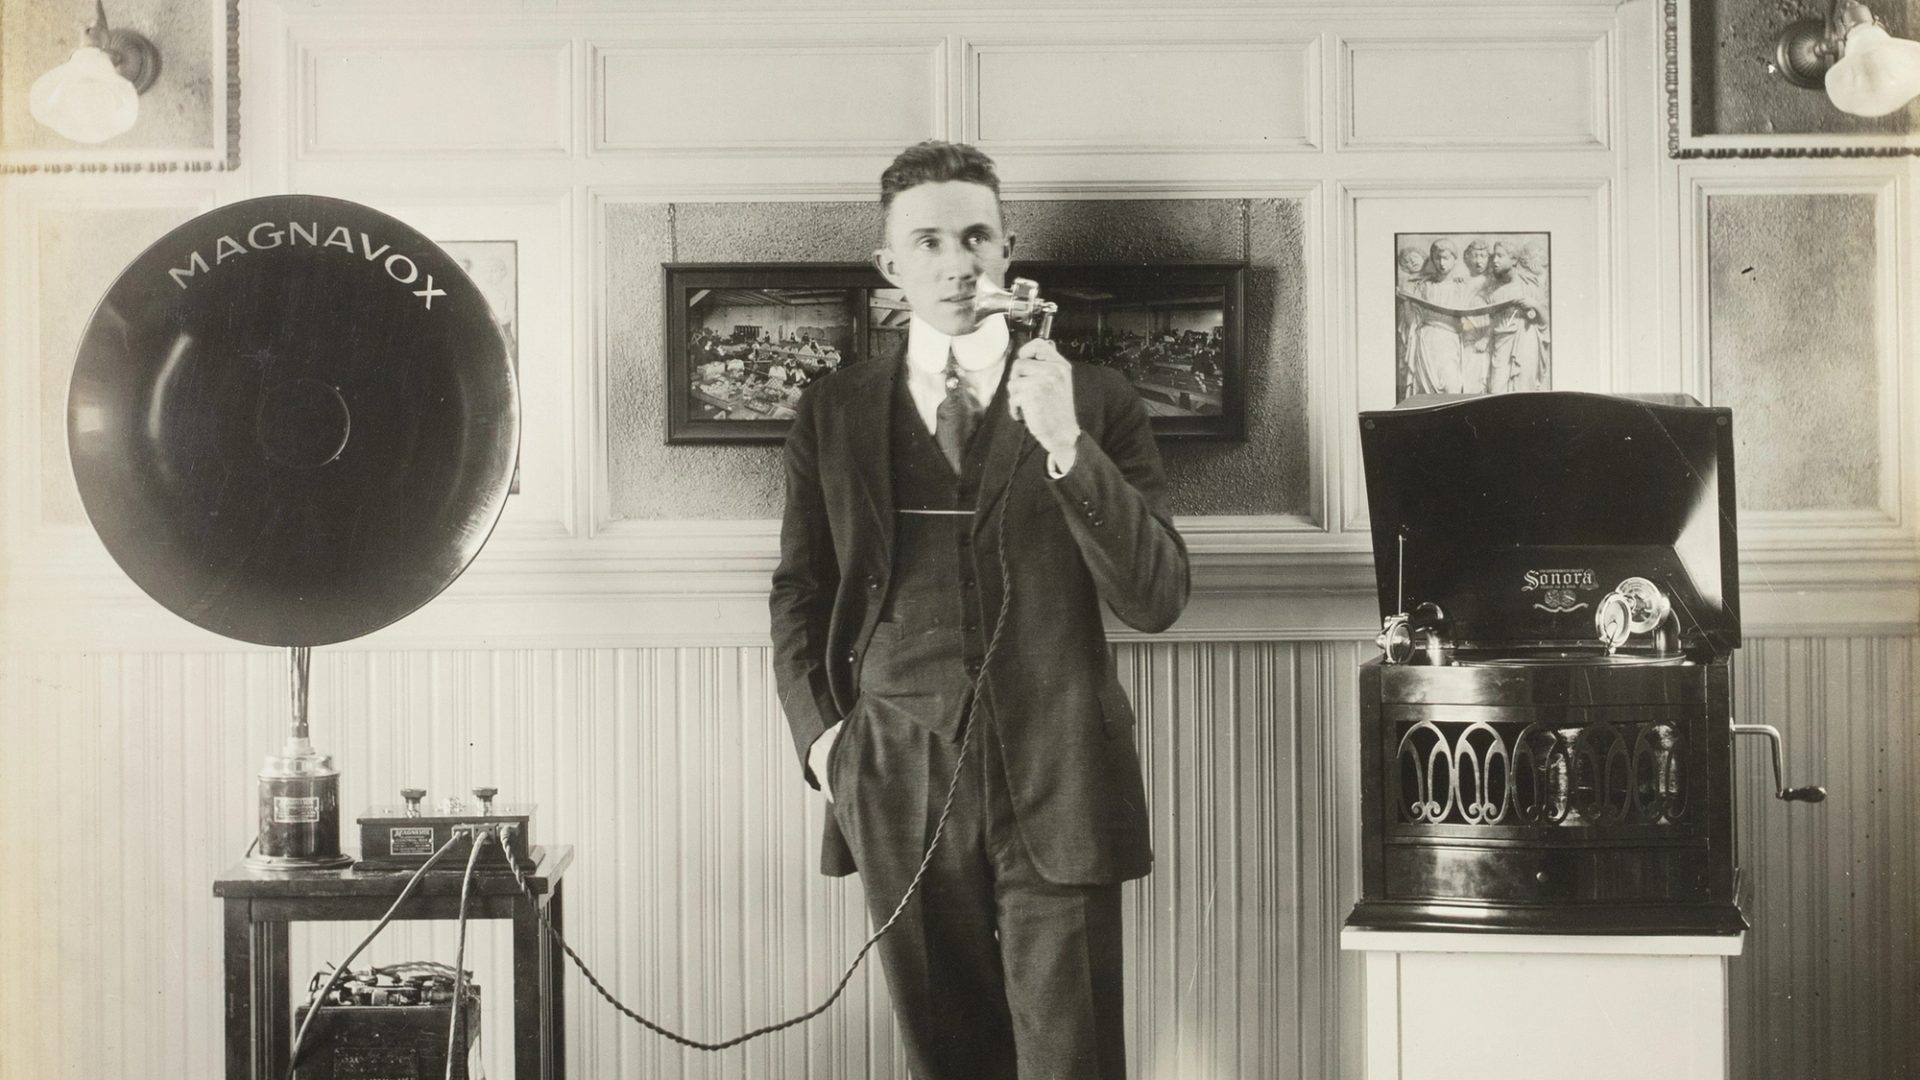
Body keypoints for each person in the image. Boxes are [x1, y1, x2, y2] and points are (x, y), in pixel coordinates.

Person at [769, 140, 1189, 1080]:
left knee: (1071, 1061)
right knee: (947, 1059)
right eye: (928, 242)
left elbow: (1155, 597)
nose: (957, 263)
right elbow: (800, 592)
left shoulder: (1099, 401)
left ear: (1009, 250)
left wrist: (1066, 444)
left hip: (1060, 773)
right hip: (893, 773)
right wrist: (821, 742)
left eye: (976, 237)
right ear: (891, 267)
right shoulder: (833, 411)